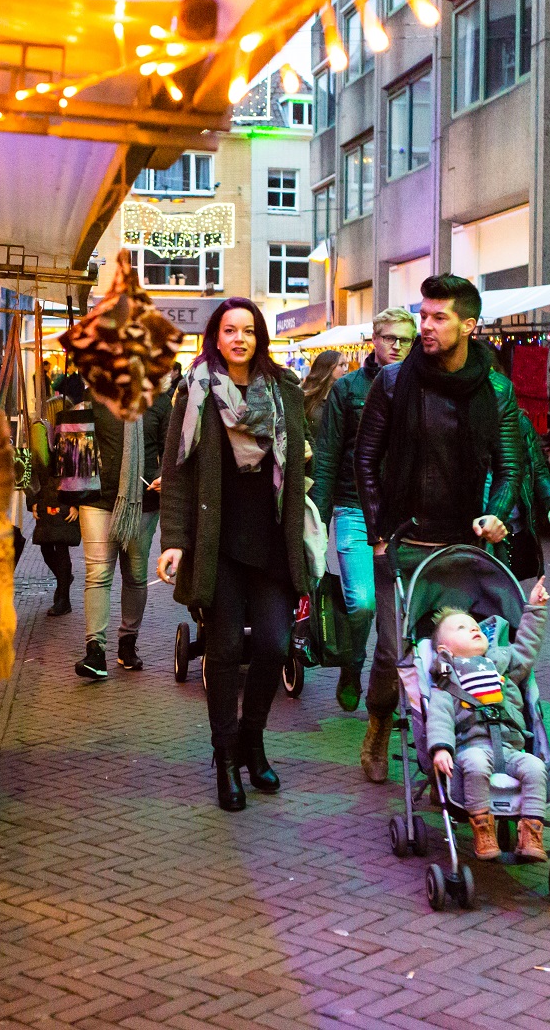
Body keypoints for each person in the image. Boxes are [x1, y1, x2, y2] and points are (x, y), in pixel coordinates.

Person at [355, 276, 521, 783]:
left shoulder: (495, 388)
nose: (423, 326)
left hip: (463, 550)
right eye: (422, 314)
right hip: (403, 543)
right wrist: (380, 534)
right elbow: (366, 459)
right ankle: (380, 721)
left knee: (462, 657)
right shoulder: (392, 382)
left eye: (438, 317)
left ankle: (455, 745)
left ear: (469, 325)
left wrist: (495, 515)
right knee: (391, 652)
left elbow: (511, 468)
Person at [159, 298, 309, 811]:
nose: (239, 338)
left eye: (248, 330)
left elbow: (303, 466)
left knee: (273, 644)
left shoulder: (285, 391)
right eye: (229, 330)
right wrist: (174, 540)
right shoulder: (195, 391)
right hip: (217, 543)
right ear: (216, 338)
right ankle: (225, 758)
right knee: (222, 650)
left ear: (259, 336)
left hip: (271, 542)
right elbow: (177, 470)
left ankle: (252, 737)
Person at [310, 307, 415, 746]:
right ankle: (353, 662)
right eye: (388, 337)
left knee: (404, 615)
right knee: (364, 602)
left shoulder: (420, 388)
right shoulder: (348, 389)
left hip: (405, 516)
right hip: (354, 509)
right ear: (373, 338)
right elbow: (330, 452)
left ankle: (390, 693)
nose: (395, 345)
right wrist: (316, 513)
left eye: (404, 339)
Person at [426, 578, 550, 861]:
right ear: (444, 649)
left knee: (535, 767)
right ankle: (483, 828)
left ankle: (531, 832)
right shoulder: (448, 680)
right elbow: (439, 715)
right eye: (461, 627)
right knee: (475, 764)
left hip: (511, 748)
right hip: (473, 746)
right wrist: (441, 747)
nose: (472, 628)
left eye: (474, 625)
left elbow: (528, 646)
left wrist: (535, 609)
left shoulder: (503, 664)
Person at [73, 371, 171, 679]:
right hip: (98, 499)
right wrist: (70, 490)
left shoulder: (160, 402)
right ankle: (95, 651)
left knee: (136, 574)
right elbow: (77, 447)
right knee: (98, 573)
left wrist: (164, 477)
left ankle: (128, 643)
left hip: (143, 501)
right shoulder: (95, 399)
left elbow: (172, 450)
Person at [29, 374, 82, 618]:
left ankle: (63, 597)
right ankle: (64, 580)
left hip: (62, 500)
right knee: (44, 547)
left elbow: (79, 472)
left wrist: (75, 504)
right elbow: (33, 471)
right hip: (47, 500)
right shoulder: (44, 439)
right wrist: (34, 502)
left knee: (60, 549)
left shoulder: (71, 439)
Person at [504, 406, 550, 582]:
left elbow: (538, 469)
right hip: (479, 530)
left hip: (514, 528)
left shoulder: (520, 423)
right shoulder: (470, 417)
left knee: (510, 596)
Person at [301, 350, 347, 433]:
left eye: (345, 365)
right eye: (341, 365)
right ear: (328, 367)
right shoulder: (306, 396)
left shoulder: (343, 395)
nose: (345, 369)